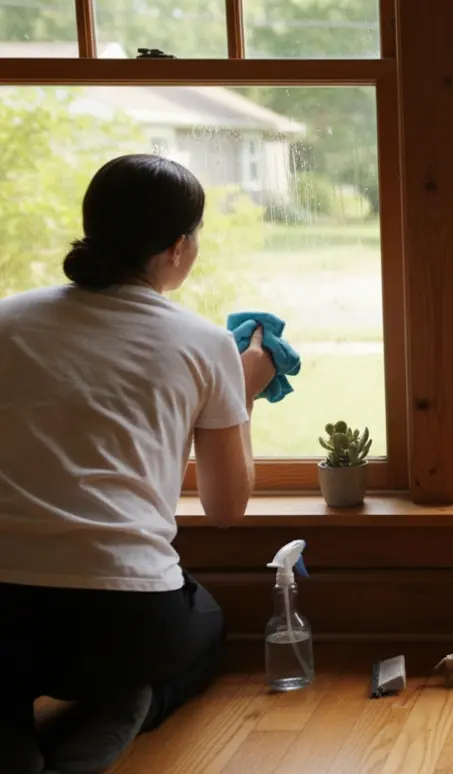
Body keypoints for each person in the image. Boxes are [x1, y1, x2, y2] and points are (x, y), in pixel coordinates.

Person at [0, 154, 276, 773]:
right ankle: (122, 711)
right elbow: (226, 509)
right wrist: (244, 392)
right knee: (206, 625)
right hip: (124, 623)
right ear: (178, 247)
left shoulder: (6, 320)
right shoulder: (204, 343)